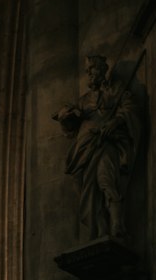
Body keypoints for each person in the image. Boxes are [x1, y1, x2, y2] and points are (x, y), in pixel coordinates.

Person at [53, 55, 144, 241]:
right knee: (86, 188)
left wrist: (116, 122)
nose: (89, 74)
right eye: (87, 71)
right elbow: (69, 125)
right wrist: (66, 116)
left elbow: (129, 108)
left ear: (102, 69)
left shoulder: (117, 91)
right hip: (83, 148)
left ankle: (117, 224)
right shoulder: (84, 100)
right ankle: (100, 229)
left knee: (106, 180)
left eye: (92, 69)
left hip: (105, 143)